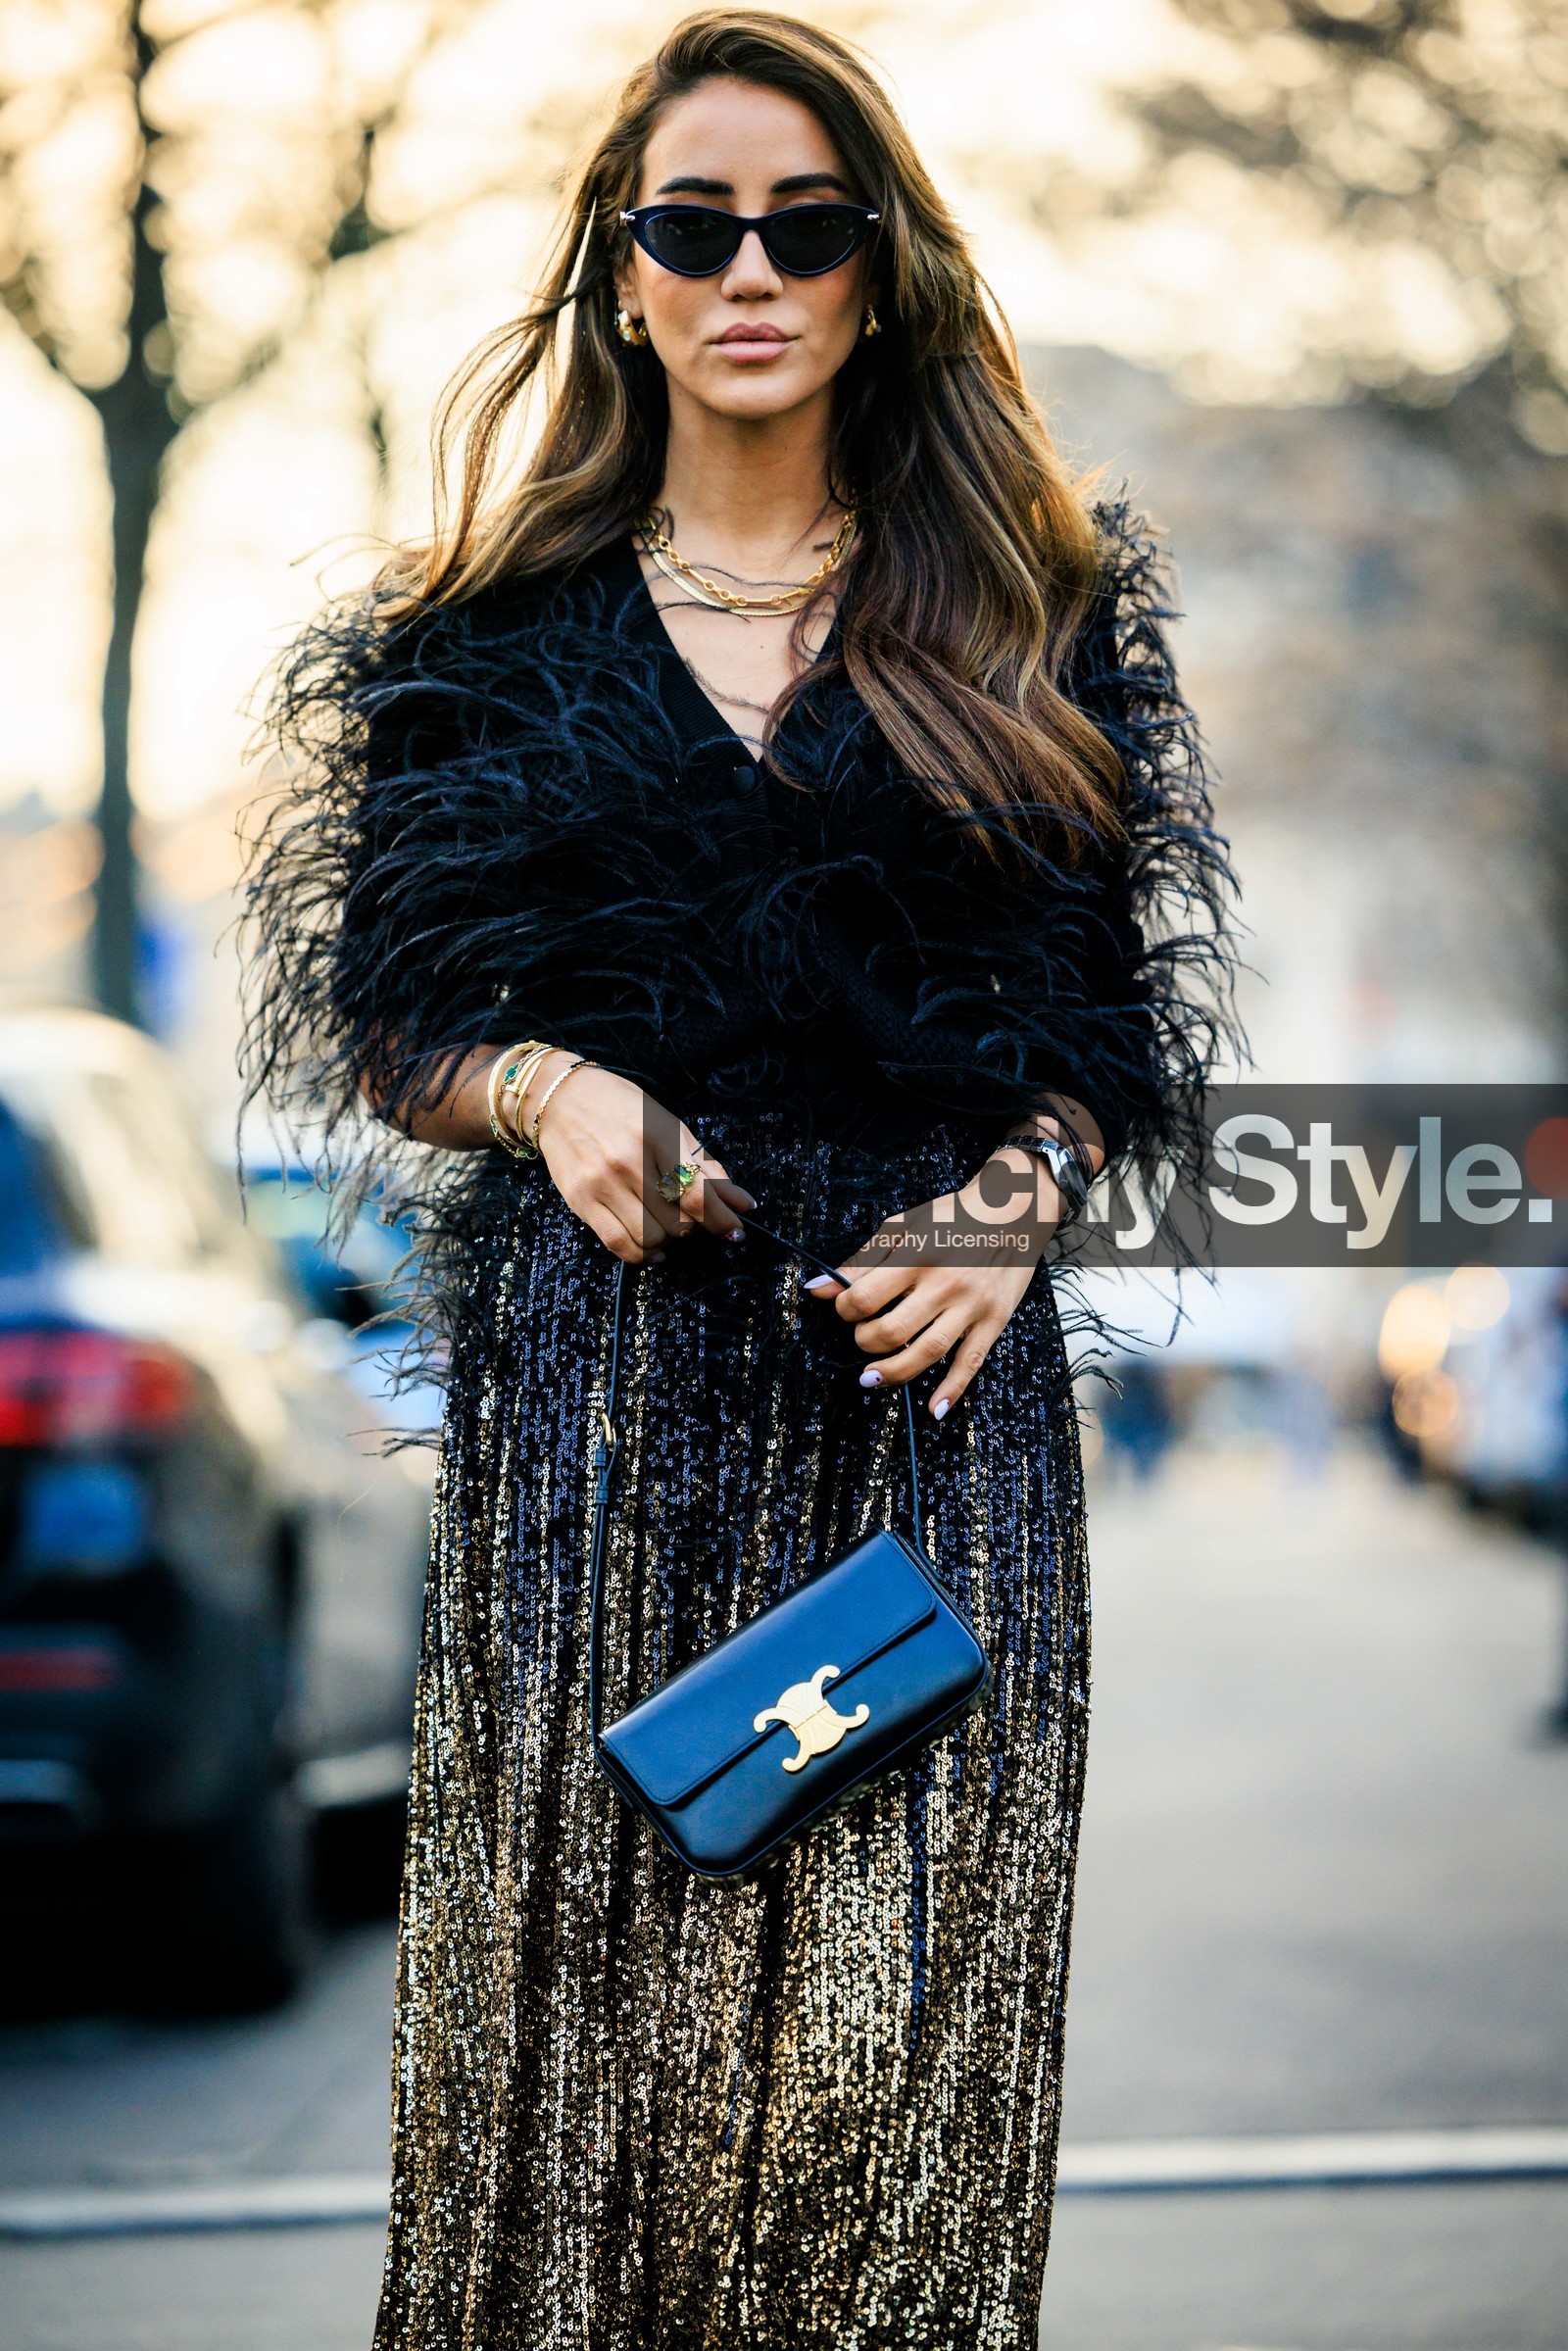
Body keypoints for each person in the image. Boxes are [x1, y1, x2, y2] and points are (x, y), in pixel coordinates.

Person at [243, 12, 1231, 2345]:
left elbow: (1103, 1034)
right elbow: (394, 1023)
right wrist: (545, 1092)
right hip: (600, 1426)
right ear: (621, 271)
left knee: (881, 2105)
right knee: (601, 2105)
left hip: (928, 1440)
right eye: (695, 226)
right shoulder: (469, 644)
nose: (749, 269)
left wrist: (1010, 1205)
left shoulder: (1031, 613)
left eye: (806, 225)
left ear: (879, 272)